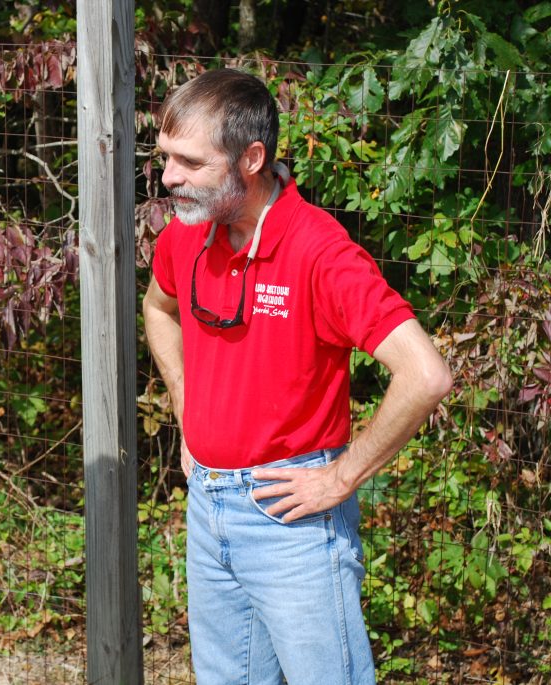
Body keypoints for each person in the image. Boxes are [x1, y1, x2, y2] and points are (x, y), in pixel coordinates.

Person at [143, 68, 452, 684]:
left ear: (251, 158)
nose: (168, 177)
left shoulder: (319, 251)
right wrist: (186, 403)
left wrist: (341, 477)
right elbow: (158, 307)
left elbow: (426, 375)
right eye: (164, 157)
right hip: (206, 506)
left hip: (292, 524)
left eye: (188, 161)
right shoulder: (188, 231)